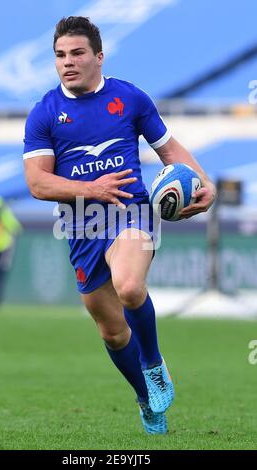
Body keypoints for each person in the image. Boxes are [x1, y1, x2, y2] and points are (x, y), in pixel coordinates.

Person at [23, 16, 216, 434]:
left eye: (76, 53)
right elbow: (37, 182)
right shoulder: (44, 113)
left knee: (129, 286)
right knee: (112, 332)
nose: (67, 63)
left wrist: (205, 182)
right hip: (82, 224)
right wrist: (90, 188)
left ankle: (154, 364)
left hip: (131, 211)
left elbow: (169, 149)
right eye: (60, 55)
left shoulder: (129, 98)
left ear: (98, 56)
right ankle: (147, 401)